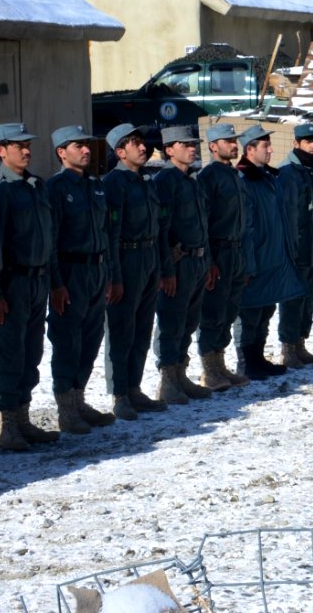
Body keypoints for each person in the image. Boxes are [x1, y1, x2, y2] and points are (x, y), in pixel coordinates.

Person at [0, 123, 58, 450]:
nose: (26, 150)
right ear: (1, 151)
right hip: (11, 285)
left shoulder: (36, 186)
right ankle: (5, 426)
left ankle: (23, 418)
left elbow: (50, 241)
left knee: (32, 352)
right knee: (8, 354)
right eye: (19, 146)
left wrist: (54, 282)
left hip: (37, 282)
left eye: (28, 145)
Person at [47, 125, 115, 435]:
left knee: (90, 340)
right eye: (78, 146)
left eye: (88, 145)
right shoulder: (56, 188)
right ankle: (66, 409)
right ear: (62, 152)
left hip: (96, 271)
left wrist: (110, 275)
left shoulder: (96, 186)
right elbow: (51, 241)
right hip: (71, 273)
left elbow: (106, 234)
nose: (87, 150)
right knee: (67, 341)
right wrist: (57, 283)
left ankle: (79, 399)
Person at [102, 124, 168, 421]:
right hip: (126, 259)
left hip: (148, 258)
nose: (143, 147)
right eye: (134, 143)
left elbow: (160, 228)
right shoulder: (115, 183)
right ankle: (119, 395)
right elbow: (111, 234)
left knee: (142, 328)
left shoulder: (146, 181)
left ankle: (134, 387)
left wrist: (162, 267)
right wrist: (114, 276)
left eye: (142, 142)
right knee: (121, 329)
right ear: (120, 151)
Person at [235, 124, 309, 380]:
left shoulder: (268, 177)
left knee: (266, 310)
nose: (270, 150)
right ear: (249, 149)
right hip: (256, 257)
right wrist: (249, 263)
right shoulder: (244, 180)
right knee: (250, 312)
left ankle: (258, 357)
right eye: (265, 146)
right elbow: (247, 226)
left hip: (274, 256)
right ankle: (246, 361)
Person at [152, 126, 212, 405]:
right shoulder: (166, 181)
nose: (192, 148)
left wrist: (208, 261)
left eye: (194, 144)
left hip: (198, 262)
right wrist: (166, 270)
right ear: (169, 149)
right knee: (171, 322)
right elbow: (162, 230)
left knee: (189, 322)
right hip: (179, 263)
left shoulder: (193, 181)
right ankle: (167, 380)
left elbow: (203, 225)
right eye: (185, 144)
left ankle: (180, 374)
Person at [197, 123, 250, 390]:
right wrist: (209, 260)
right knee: (213, 310)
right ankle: (209, 369)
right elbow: (203, 221)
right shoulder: (209, 176)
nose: (234, 144)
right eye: (228, 140)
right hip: (218, 249)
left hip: (236, 249)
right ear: (213, 145)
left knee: (229, 310)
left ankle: (220, 365)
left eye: (234, 139)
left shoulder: (233, 174)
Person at [277, 122, 313, 369]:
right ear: (296, 143)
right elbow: (291, 215)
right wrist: (293, 249)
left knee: (308, 296)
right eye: (307, 141)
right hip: (298, 247)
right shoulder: (289, 172)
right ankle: (288, 347)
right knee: (293, 297)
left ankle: (300, 344)